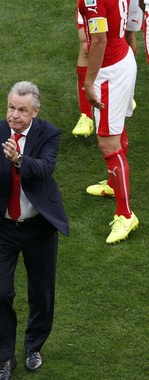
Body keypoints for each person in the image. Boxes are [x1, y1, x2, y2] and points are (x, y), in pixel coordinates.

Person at [0, 81, 69, 380]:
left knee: (41, 293)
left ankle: (34, 346)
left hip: (39, 228)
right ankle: (5, 358)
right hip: (2, 228)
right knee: (0, 295)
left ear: (35, 112)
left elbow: (44, 169)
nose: (14, 115)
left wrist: (19, 159)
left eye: (22, 110)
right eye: (11, 107)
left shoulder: (48, 134)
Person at [79, 0, 139, 244]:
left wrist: (89, 82)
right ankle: (115, 183)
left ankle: (125, 214)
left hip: (110, 72)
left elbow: (100, 40)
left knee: (108, 144)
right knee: (116, 128)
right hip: (122, 58)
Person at [72, 1, 140, 137]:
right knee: (87, 45)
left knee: (126, 36)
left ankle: (125, 92)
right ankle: (86, 115)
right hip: (97, 6)